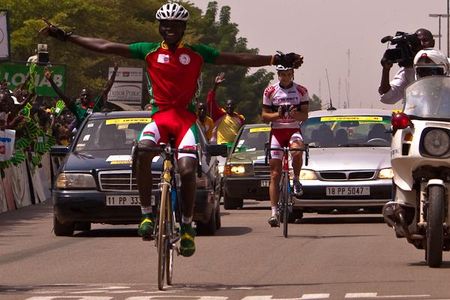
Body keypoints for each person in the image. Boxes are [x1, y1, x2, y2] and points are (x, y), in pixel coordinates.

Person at [40, 2, 303, 257]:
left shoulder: (197, 52)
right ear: (160, 27)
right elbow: (106, 46)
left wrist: (273, 58)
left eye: (175, 25)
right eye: (165, 25)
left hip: (185, 121)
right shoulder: (149, 50)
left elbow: (236, 58)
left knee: (188, 170)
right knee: (143, 151)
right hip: (160, 119)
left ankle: (187, 225)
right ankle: (145, 213)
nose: (170, 29)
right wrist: (66, 36)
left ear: (183, 27)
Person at [262, 65, 309, 227]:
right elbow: (264, 116)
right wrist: (278, 114)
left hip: (294, 129)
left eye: (288, 74)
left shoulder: (301, 91)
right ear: (278, 75)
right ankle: (274, 213)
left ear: (293, 74)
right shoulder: (270, 91)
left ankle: (296, 179)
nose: (285, 78)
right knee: (274, 174)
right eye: (282, 75)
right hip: (277, 132)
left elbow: (305, 114)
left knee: (297, 150)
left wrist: (296, 115)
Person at [44, 64, 118, 128]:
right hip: (82, 138)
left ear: (91, 97)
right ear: (80, 97)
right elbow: (62, 95)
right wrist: (51, 81)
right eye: (83, 95)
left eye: (87, 95)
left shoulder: (96, 105)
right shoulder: (76, 108)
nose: (85, 97)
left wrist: (114, 72)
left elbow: (106, 89)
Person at [378, 28, 435, 105]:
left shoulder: (446, 64)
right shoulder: (408, 72)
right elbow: (388, 97)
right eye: (418, 42)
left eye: (425, 41)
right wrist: (386, 69)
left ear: (433, 43)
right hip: (418, 115)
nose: (421, 44)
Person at [207, 72, 245, 145]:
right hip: (222, 146)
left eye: (232, 105)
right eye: (228, 105)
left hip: (234, 148)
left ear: (235, 107)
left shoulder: (239, 119)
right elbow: (210, 101)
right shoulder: (220, 116)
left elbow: (243, 133)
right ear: (226, 106)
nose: (230, 107)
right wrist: (215, 86)